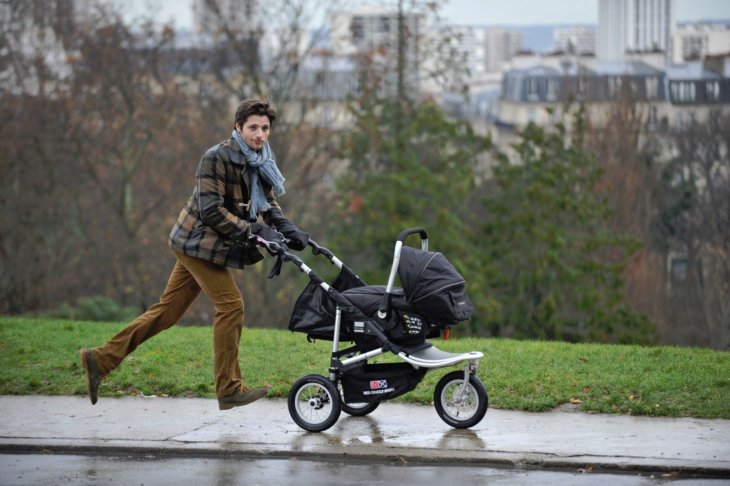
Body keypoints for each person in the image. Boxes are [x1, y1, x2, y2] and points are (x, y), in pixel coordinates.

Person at [80, 98, 308, 411]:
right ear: (238, 127)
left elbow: (266, 202)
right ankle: (229, 388)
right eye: (253, 127)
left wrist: (286, 228)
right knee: (231, 306)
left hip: (212, 245)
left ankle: (100, 359)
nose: (259, 134)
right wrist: (255, 232)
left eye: (265, 128)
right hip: (196, 241)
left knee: (166, 313)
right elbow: (211, 211)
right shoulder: (216, 157)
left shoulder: (260, 160)